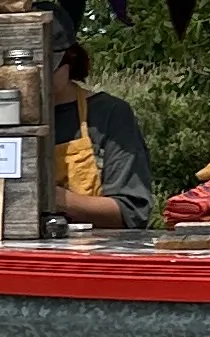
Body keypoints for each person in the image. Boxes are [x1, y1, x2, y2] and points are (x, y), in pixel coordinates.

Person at [43, 28, 155, 231]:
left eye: (47, 69)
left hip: (90, 254)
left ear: (70, 60)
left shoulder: (110, 114)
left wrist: (53, 198)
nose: (35, 78)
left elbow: (131, 213)